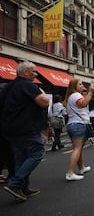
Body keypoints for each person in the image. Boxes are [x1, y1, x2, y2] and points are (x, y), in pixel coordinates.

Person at [0, 61, 49, 201]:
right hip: (26, 128)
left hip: (9, 129)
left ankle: (23, 188)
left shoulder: (9, 86)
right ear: (25, 72)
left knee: (21, 157)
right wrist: (42, 92)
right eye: (33, 72)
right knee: (37, 152)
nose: (35, 74)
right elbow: (44, 102)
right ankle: (15, 184)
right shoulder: (28, 85)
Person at [63, 78, 94, 181]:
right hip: (78, 124)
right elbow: (83, 103)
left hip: (72, 124)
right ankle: (70, 173)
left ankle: (81, 168)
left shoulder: (70, 97)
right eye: (80, 84)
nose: (82, 86)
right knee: (77, 148)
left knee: (79, 148)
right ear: (74, 86)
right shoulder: (76, 95)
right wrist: (90, 92)